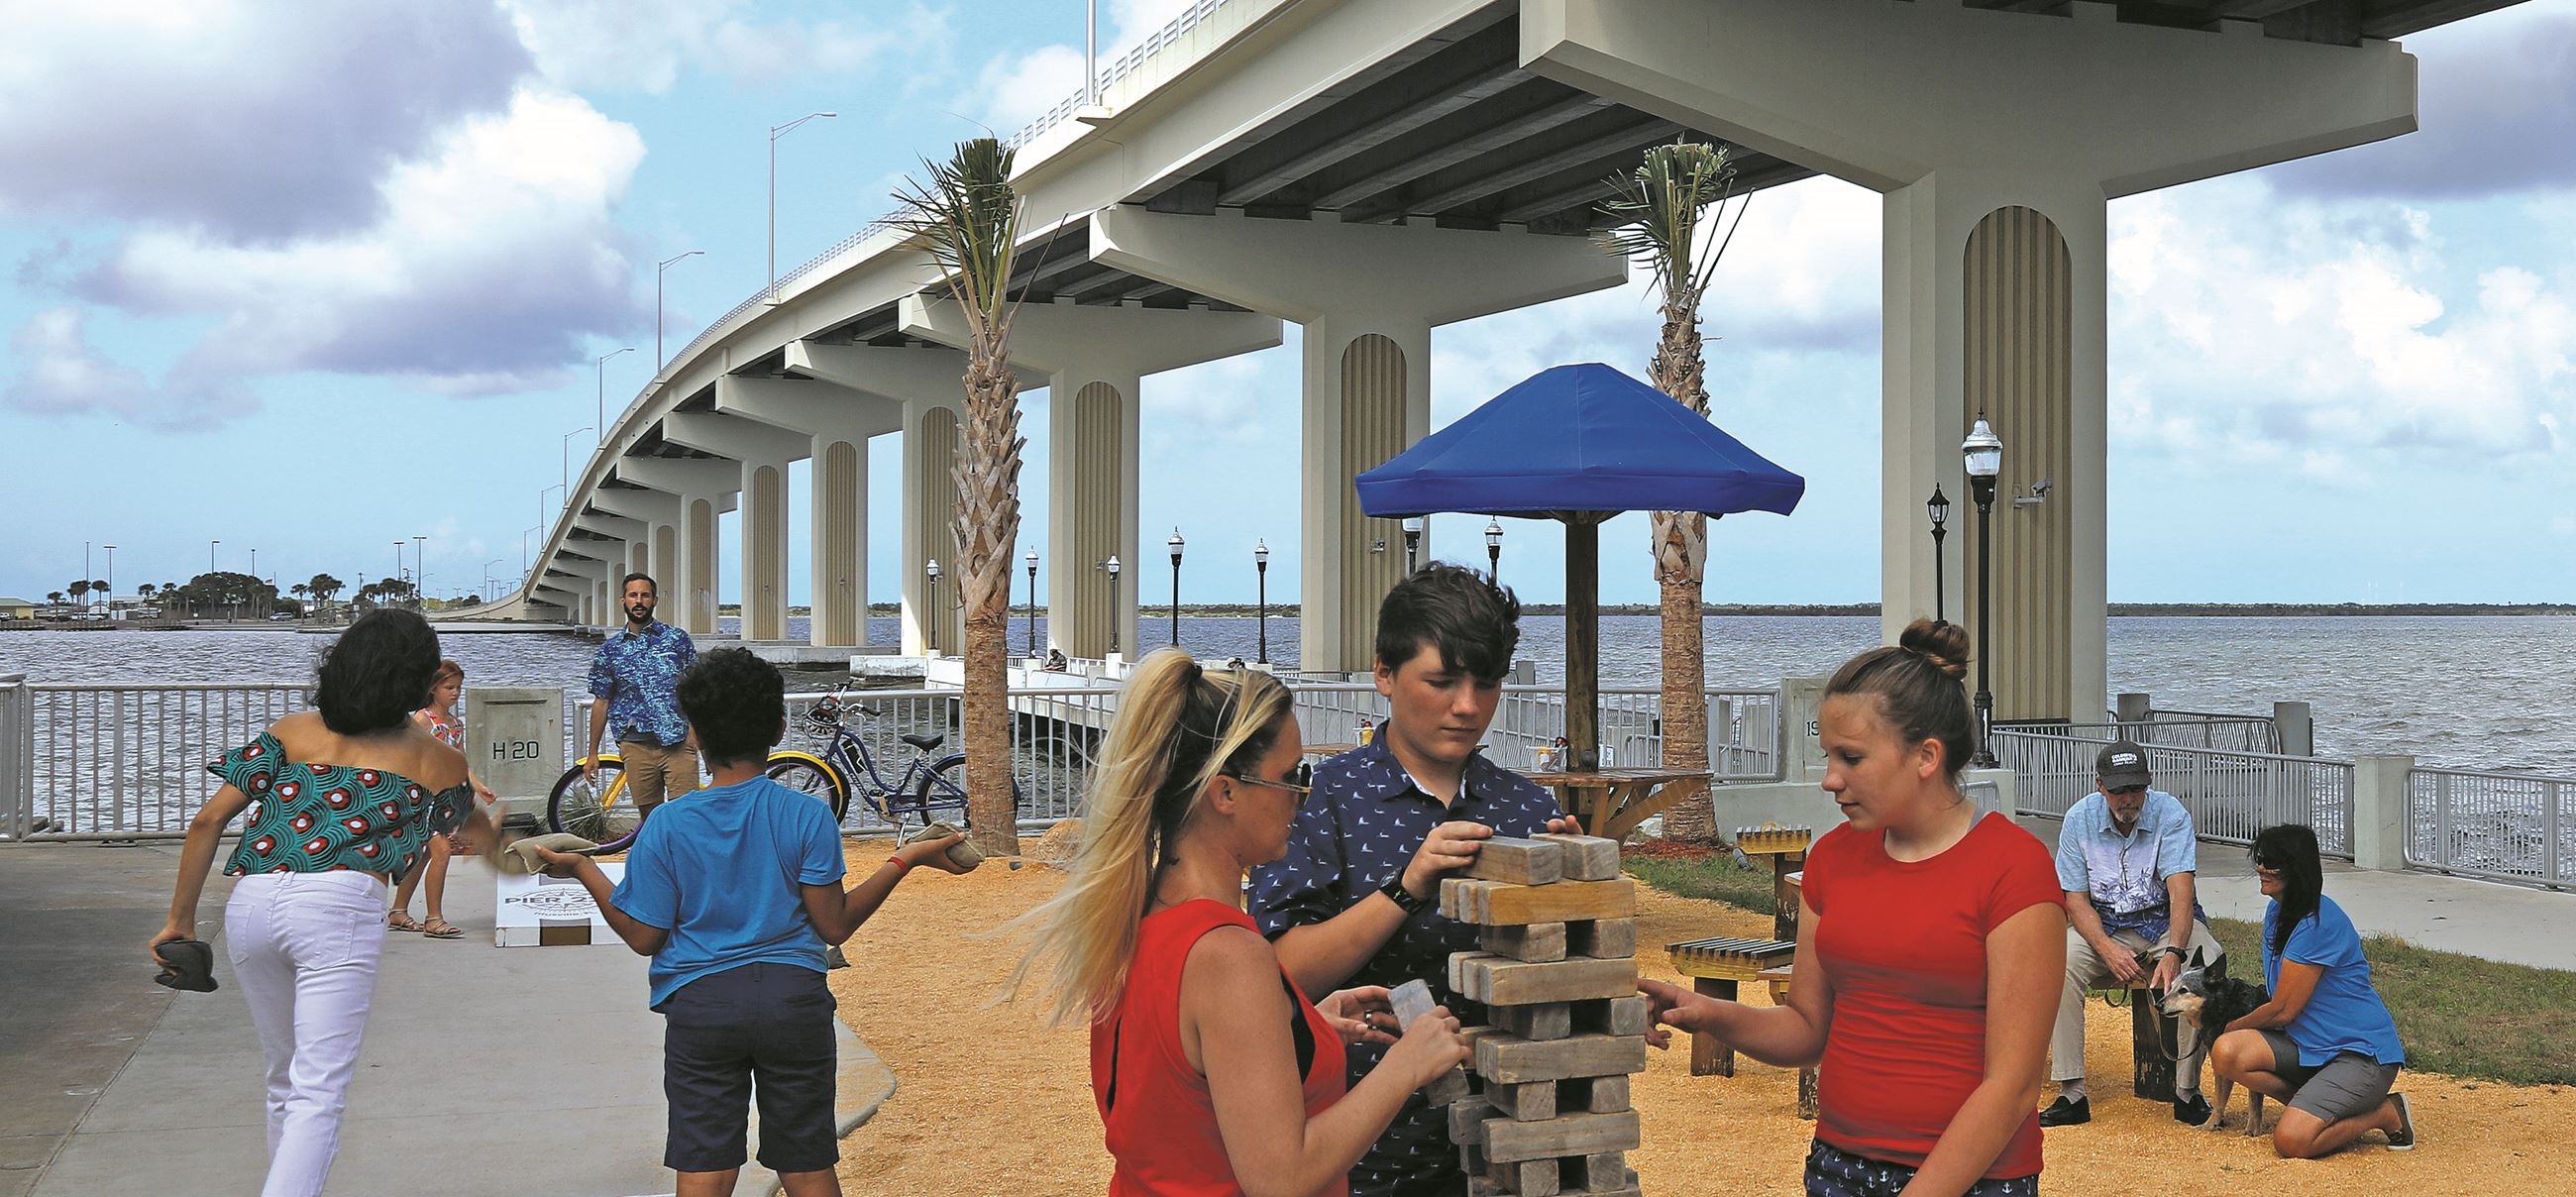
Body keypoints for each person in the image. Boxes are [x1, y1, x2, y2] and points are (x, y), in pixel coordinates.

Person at [1005, 650, 1471, 1196]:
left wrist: (1300, 1029)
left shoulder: (1139, 916)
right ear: (1225, 792)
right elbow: (1281, 1177)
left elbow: (1181, 1085)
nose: (1303, 795)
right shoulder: (1227, 954)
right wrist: (1406, 1068)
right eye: (1290, 776)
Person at [1637, 620, 2065, 1197]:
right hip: (1838, 1166)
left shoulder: (2015, 868)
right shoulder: (1834, 858)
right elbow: (1807, 1031)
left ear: (1926, 756)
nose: (1830, 780)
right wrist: (1705, 1012)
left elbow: (2012, 1087)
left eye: (1851, 758)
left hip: (1975, 1181)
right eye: (1827, 755)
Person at [531, 647, 976, 1197]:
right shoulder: (807, 814)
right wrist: (903, 860)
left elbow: (644, 936)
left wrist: (584, 869)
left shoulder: (667, 824)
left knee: (706, 1164)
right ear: (779, 727)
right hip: (794, 1000)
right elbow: (834, 927)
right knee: (807, 1163)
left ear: (692, 733)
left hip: (702, 1003)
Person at [1249, 563, 1576, 1197]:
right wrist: (1407, 886)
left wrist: (1572, 904)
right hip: (1363, 1146)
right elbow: (1278, 975)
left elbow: (1557, 980)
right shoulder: (1325, 799)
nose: (1467, 706)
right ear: (1383, 675)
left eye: (1486, 684)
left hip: (1514, 1144)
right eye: (1442, 681)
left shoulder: (1527, 808)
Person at [149, 609, 497, 1197]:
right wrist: (514, 841)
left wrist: (179, 922)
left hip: (253, 902)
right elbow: (478, 837)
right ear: (416, 680)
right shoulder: (438, 760)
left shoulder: (293, 731)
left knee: (283, 1080)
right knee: (320, 1092)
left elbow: (207, 820)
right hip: (339, 904)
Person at [2040, 739, 2227, 1127]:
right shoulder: (2079, 820)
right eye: (2119, 789)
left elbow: (2181, 892)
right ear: (2100, 786)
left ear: (2148, 784)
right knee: (2056, 960)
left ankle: (2187, 1091)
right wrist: (2107, 949)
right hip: (2105, 929)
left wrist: (2175, 950)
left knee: (2205, 959)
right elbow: (2074, 901)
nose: (2129, 798)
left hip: (2163, 926)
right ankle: (2072, 1092)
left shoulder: (2171, 814)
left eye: (2136, 788)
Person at [2208, 823, 2414, 1158]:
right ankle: (2311, 1105)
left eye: (2271, 861)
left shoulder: (2317, 923)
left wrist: (2232, 1025)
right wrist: (2228, 1035)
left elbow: (2283, 1010)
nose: (2261, 867)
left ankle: (2384, 1112)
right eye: (2260, 858)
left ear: (2296, 870)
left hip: (2360, 1055)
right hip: (2309, 1045)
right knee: (2227, 1053)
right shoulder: (2278, 910)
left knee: (2292, 1142)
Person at [387, 659, 498, 940]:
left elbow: (459, 760)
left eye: (459, 687)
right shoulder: (423, 720)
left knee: (423, 856)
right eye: (449, 687)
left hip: (447, 800)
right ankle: (433, 918)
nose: (455, 692)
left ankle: (398, 910)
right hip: (424, 798)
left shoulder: (454, 724)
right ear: (433, 688)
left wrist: (477, 784)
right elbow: (405, 757)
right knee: (441, 852)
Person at [585, 572, 698, 816]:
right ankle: (657, 856)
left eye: (645, 595)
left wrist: (697, 735)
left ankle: (684, 856)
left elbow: (697, 689)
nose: (639, 601)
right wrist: (592, 753)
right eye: (633, 595)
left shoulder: (676, 639)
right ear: (622, 600)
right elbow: (601, 701)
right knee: (650, 818)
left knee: (686, 816)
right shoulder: (610, 650)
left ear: (654, 600)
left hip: (677, 742)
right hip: (635, 745)